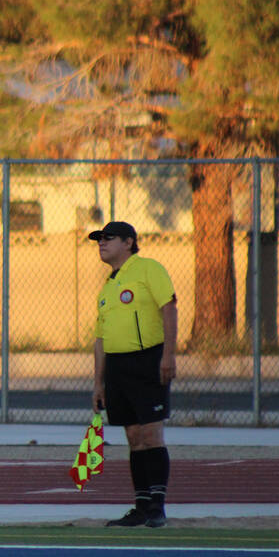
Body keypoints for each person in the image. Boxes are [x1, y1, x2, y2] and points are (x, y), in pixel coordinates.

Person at [88, 221, 177, 528]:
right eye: (99, 239)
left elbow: (169, 307)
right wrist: (98, 382)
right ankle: (140, 506)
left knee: (152, 434)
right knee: (134, 437)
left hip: (147, 361)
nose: (101, 243)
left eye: (107, 238)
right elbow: (100, 340)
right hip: (117, 368)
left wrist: (168, 355)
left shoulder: (148, 269)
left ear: (128, 242)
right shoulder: (107, 288)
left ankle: (157, 505)